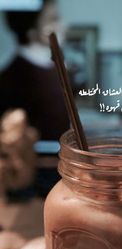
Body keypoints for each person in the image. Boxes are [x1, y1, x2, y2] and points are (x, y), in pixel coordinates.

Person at [0, 0, 70, 196]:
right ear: (31, 30)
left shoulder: (55, 68)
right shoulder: (12, 77)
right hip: (31, 182)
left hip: (60, 171)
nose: (63, 25)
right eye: (53, 19)